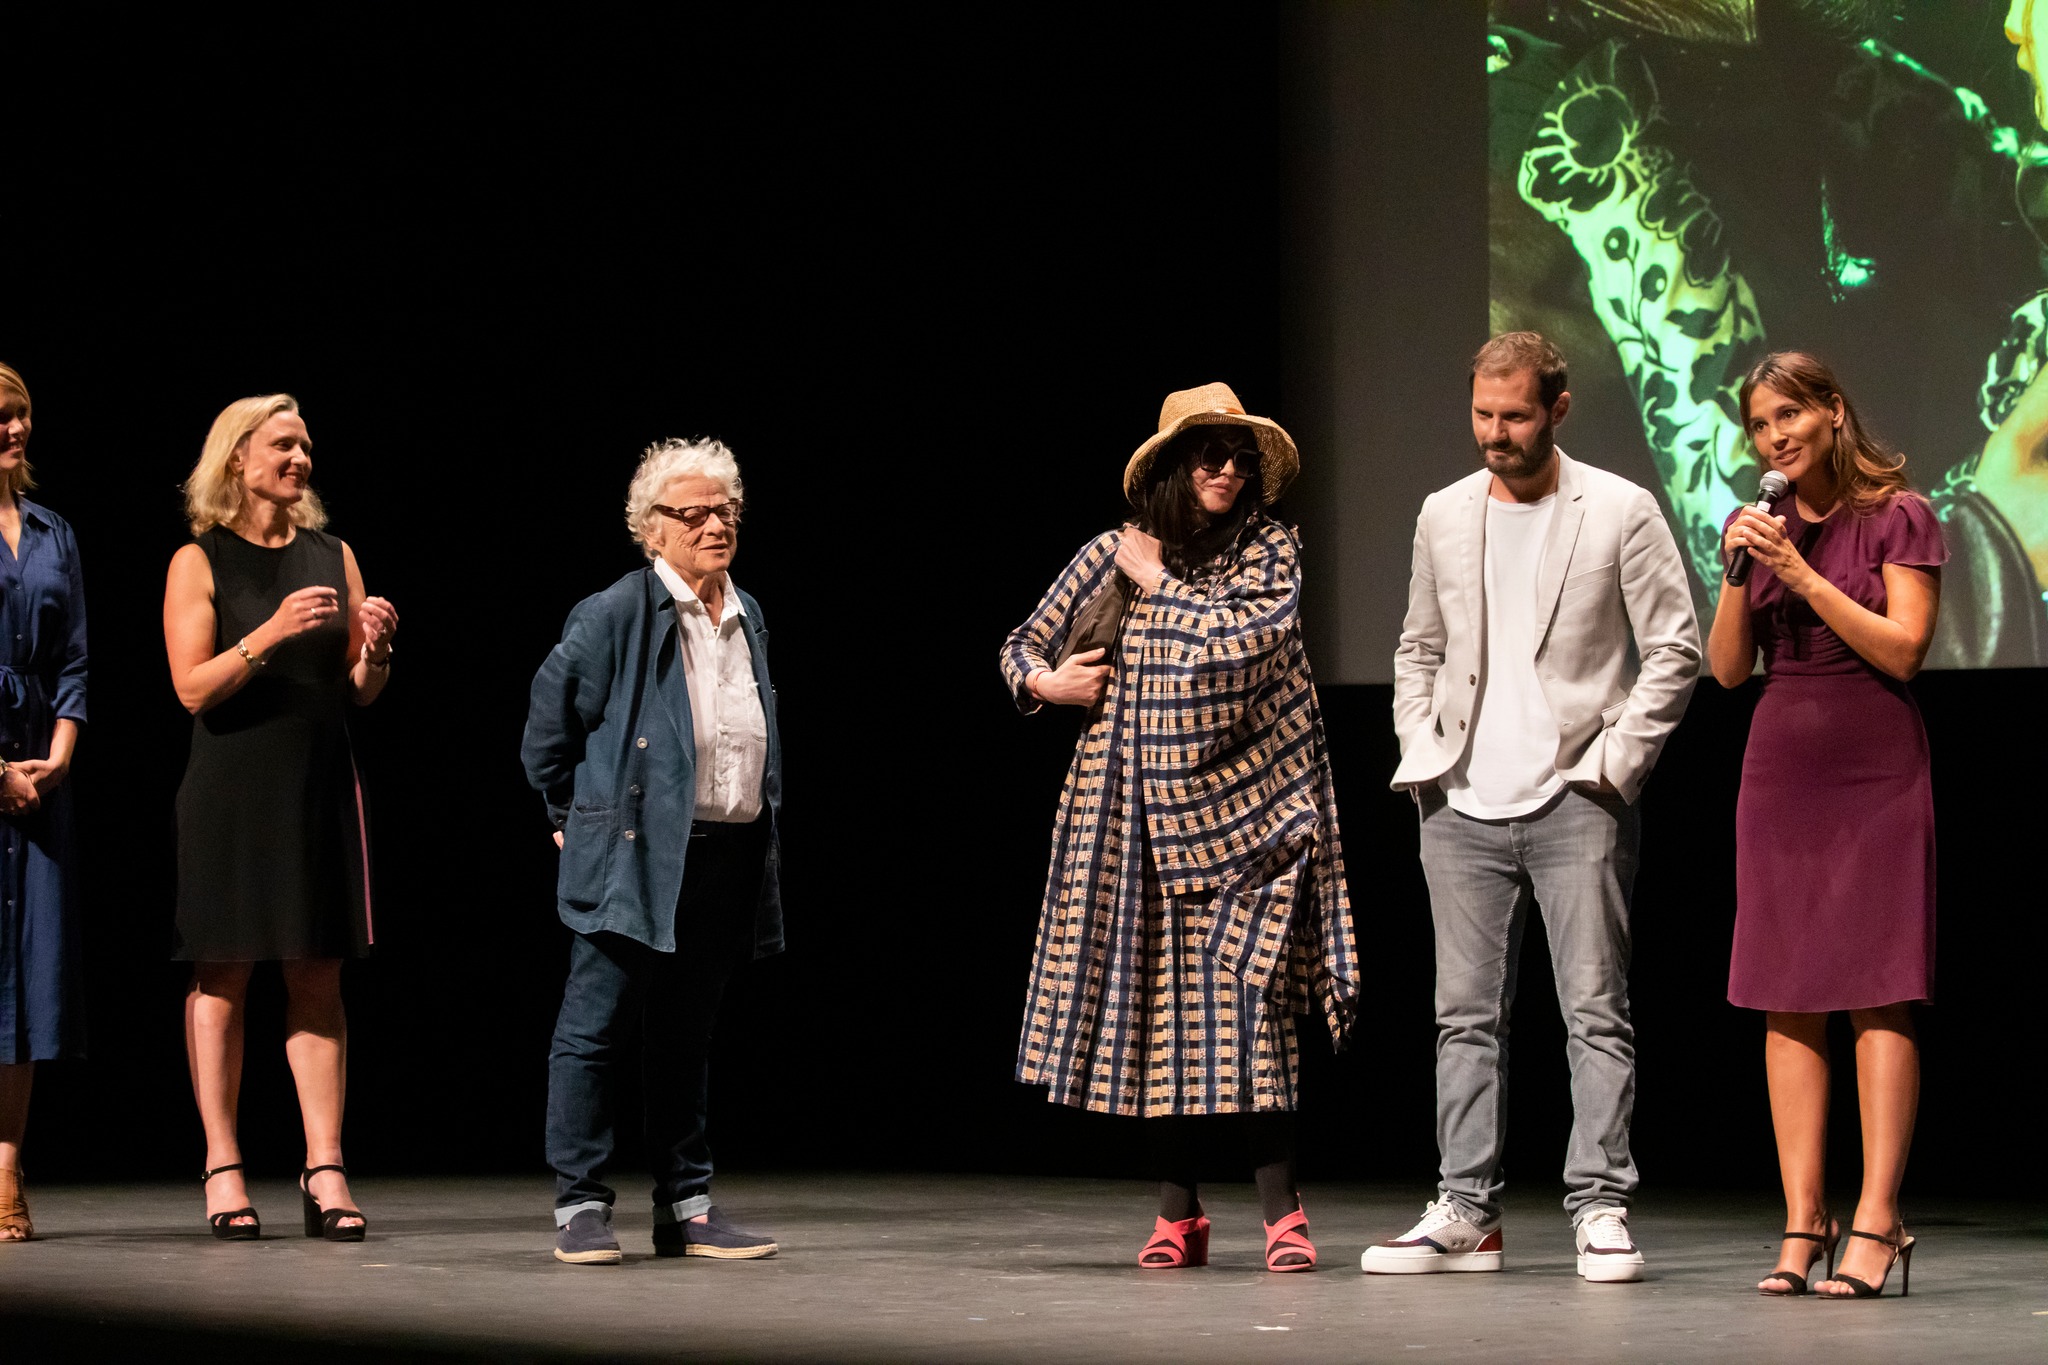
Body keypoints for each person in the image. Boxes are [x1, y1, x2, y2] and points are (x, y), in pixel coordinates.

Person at [1000, 383, 1357, 1274]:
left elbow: (1248, 647)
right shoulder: (1111, 554)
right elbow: (1019, 646)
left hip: (1243, 817)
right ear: (1170, 465)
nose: (1228, 470)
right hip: (1129, 816)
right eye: (1210, 455)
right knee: (1159, 1012)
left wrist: (1160, 590)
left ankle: (1283, 1213)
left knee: (1249, 1008)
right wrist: (1050, 686)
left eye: (1240, 457)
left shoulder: (1267, 550)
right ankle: (1177, 1212)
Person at [1371, 332, 1700, 1282]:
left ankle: (1600, 1203)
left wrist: (1614, 764)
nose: (1493, 432)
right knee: (1462, 1016)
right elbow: (1417, 647)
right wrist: (1420, 750)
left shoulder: (1621, 510)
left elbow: (1673, 648)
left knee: (1594, 1009)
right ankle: (1467, 1208)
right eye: (1481, 412)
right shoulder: (1444, 512)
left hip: (1576, 795)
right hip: (1459, 798)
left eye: (1513, 414)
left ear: (1557, 408)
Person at [1710, 351, 1941, 1300]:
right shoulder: (1757, 530)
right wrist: (1737, 569)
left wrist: (1801, 575)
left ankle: (1879, 1219)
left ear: (1832, 412)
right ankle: (1804, 1220)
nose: (1776, 438)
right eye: (1761, 426)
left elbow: (1905, 647)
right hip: (1780, 771)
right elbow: (1728, 671)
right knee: (1787, 991)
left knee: (1879, 990)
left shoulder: (1899, 514)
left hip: (1876, 765)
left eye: (1790, 417)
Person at [523, 437, 782, 1267]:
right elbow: (547, 732)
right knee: (595, 1029)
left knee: (686, 1033)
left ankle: (688, 1204)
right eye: (694, 512)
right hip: (633, 854)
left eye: (726, 510)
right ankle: (582, 1205)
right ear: (652, 528)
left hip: (725, 854)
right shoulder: (614, 613)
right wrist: (572, 816)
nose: (715, 524)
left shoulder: (749, 612)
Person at [163, 394, 399, 1242]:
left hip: (317, 785)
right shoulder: (199, 559)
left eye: (306, 446)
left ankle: (324, 1164)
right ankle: (223, 1162)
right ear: (236, 459)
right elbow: (191, 686)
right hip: (230, 789)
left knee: (316, 971)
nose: (301, 459)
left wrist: (375, 650)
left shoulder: (334, 554)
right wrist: (264, 633)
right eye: (284, 445)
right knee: (222, 972)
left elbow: (359, 689)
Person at [0, 362, 88, 1244]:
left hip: (40, 774)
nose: (14, 430)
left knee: (24, 982)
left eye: (21, 414)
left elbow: (73, 666)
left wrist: (54, 761)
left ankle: (6, 1167)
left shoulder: (55, 532)